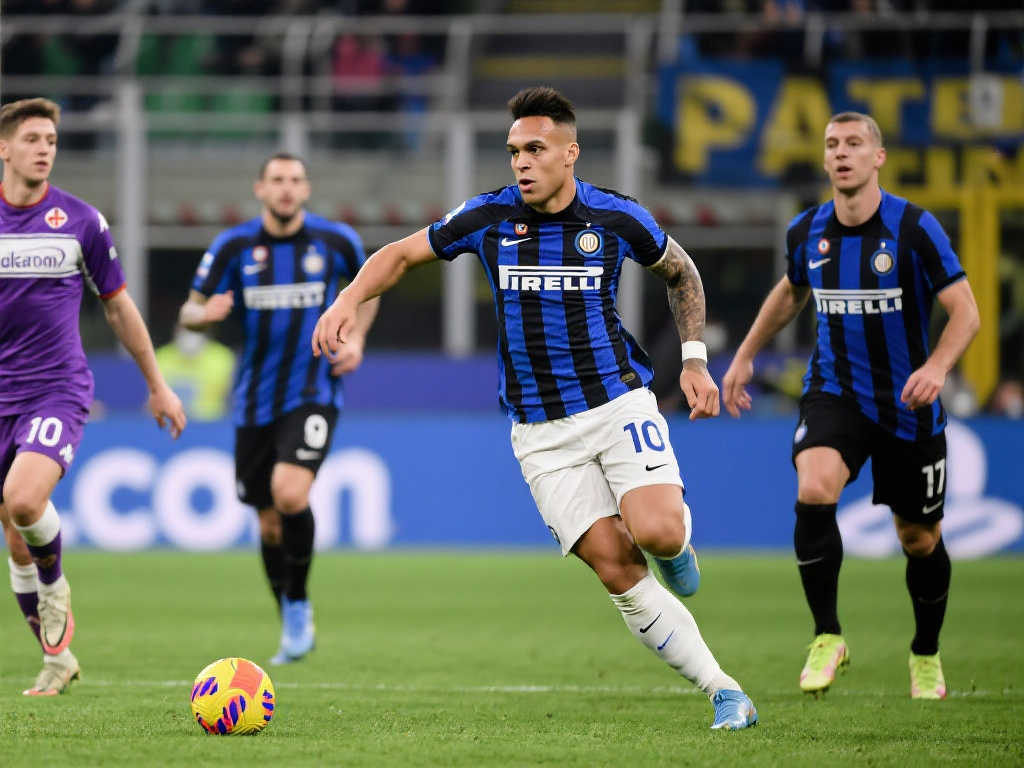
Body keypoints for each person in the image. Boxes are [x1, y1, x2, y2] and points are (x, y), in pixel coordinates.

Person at [313, 87, 758, 730]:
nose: (521, 162)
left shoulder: (615, 216)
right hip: (540, 432)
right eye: (514, 151)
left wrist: (693, 361)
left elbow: (681, 272)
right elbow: (402, 253)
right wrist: (346, 301)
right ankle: (725, 691)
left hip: (615, 403)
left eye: (536, 149)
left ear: (570, 153)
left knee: (657, 533)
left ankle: (675, 546)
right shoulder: (489, 216)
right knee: (616, 568)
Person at [722, 111, 980, 700]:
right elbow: (790, 292)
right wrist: (745, 356)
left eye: (855, 143)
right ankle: (827, 635)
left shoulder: (915, 228)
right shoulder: (806, 231)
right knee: (814, 487)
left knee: (919, 538)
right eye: (832, 144)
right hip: (834, 393)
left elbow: (966, 311)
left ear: (877, 157)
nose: (842, 153)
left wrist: (937, 368)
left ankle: (925, 652)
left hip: (907, 404)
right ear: (824, 158)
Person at [0, 97, 186, 696]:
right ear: (4, 148)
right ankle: (57, 660)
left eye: (51, 140)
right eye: (32, 139)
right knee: (15, 537)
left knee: (23, 501)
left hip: (55, 389)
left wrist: (157, 384)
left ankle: (56, 587)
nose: (44, 149)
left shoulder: (80, 221)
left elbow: (118, 306)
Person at [178, 152, 378, 665]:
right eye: (277, 180)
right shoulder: (234, 245)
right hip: (253, 400)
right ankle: (289, 610)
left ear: (305, 189)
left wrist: (355, 337)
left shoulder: (335, 241)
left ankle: (300, 602)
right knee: (268, 524)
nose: (286, 188)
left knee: (290, 493)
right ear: (260, 189)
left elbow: (369, 288)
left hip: (313, 391)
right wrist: (204, 314)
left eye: (295, 180)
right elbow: (189, 310)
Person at [156, 324, 235, 421]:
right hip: (170, 420)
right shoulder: (161, 357)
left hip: (211, 422)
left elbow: (231, 397)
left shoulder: (223, 357)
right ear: (175, 332)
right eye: (185, 331)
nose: (190, 336)